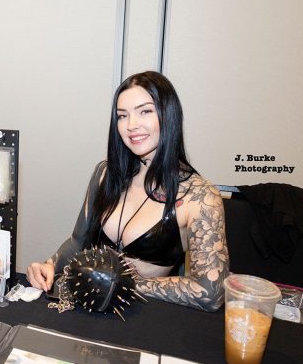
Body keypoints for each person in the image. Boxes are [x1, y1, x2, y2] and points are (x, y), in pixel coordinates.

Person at [27, 71, 229, 312]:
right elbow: (78, 241)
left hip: (143, 317)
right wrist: (50, 264)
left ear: (169, 115)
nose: (132, 125)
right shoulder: (105, 173)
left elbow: (210, 292)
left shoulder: (201, 197)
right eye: (122, 116)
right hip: (87, 308)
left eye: (145, 111)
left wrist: (120, 283)